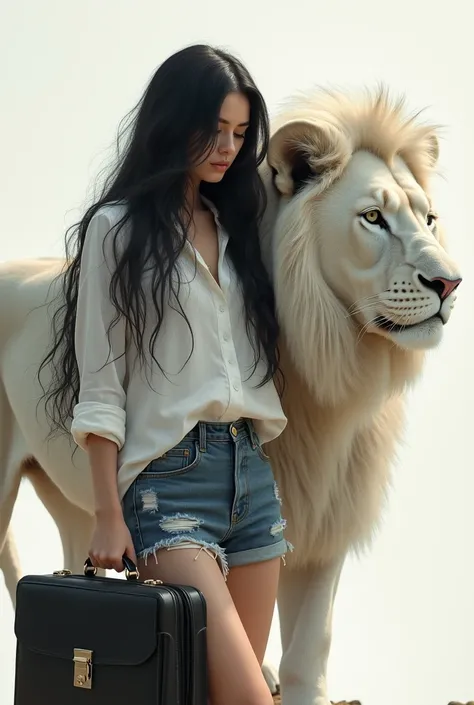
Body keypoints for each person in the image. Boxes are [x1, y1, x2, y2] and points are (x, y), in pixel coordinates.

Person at [39, 44, 289, 705]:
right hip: (168, 491)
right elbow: (100, 388)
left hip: (252, 481)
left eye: (240, 134)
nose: (228, 148)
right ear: (171, 120)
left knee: (214, 695)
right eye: (215, 130)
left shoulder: (240, 224)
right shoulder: (116, 232)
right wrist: (105, 515)